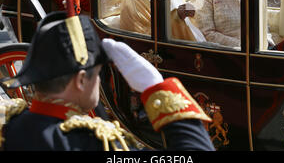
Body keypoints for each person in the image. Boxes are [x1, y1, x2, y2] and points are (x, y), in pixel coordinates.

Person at [0, 10, 215, 151]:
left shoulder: (8, 129)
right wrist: (158, 88)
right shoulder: (103, 144)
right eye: (99, 73)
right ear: (81, 80)